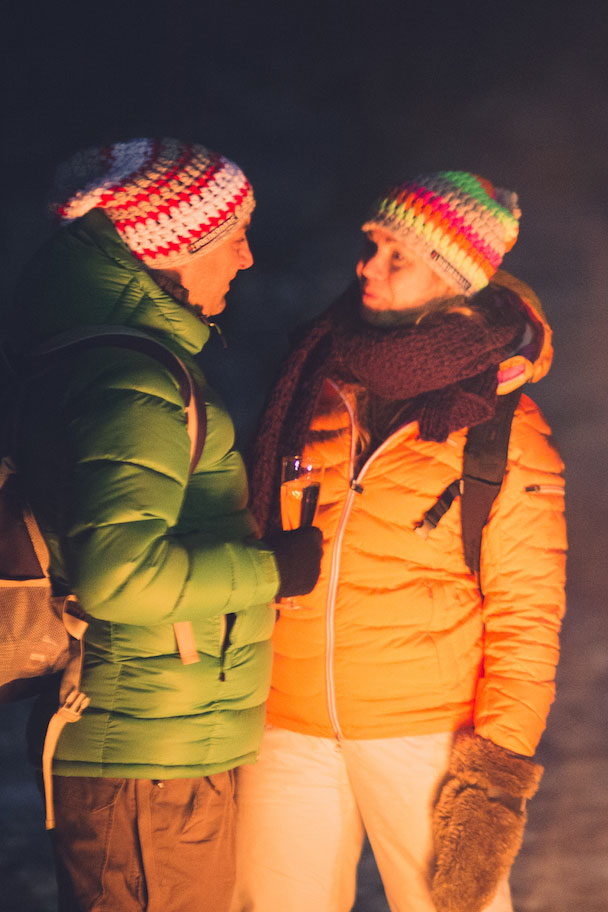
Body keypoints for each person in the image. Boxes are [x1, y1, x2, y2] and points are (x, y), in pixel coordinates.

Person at [4, 138, 322, 910]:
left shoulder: (116, 359)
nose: (246, 260)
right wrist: (273, 569)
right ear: (174, 249)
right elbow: (120, 574)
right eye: (232, 237)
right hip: (146, 756)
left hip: (160, 742)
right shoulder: (134, 379)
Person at [234, 171, 566, 912]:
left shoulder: (503, 427)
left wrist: (494, 775)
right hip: (286, 725)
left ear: (453, 282)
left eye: (396, 255)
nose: (366, 267)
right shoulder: (313, 383)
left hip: (426, 738)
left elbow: (527, 616)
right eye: (371, 245)